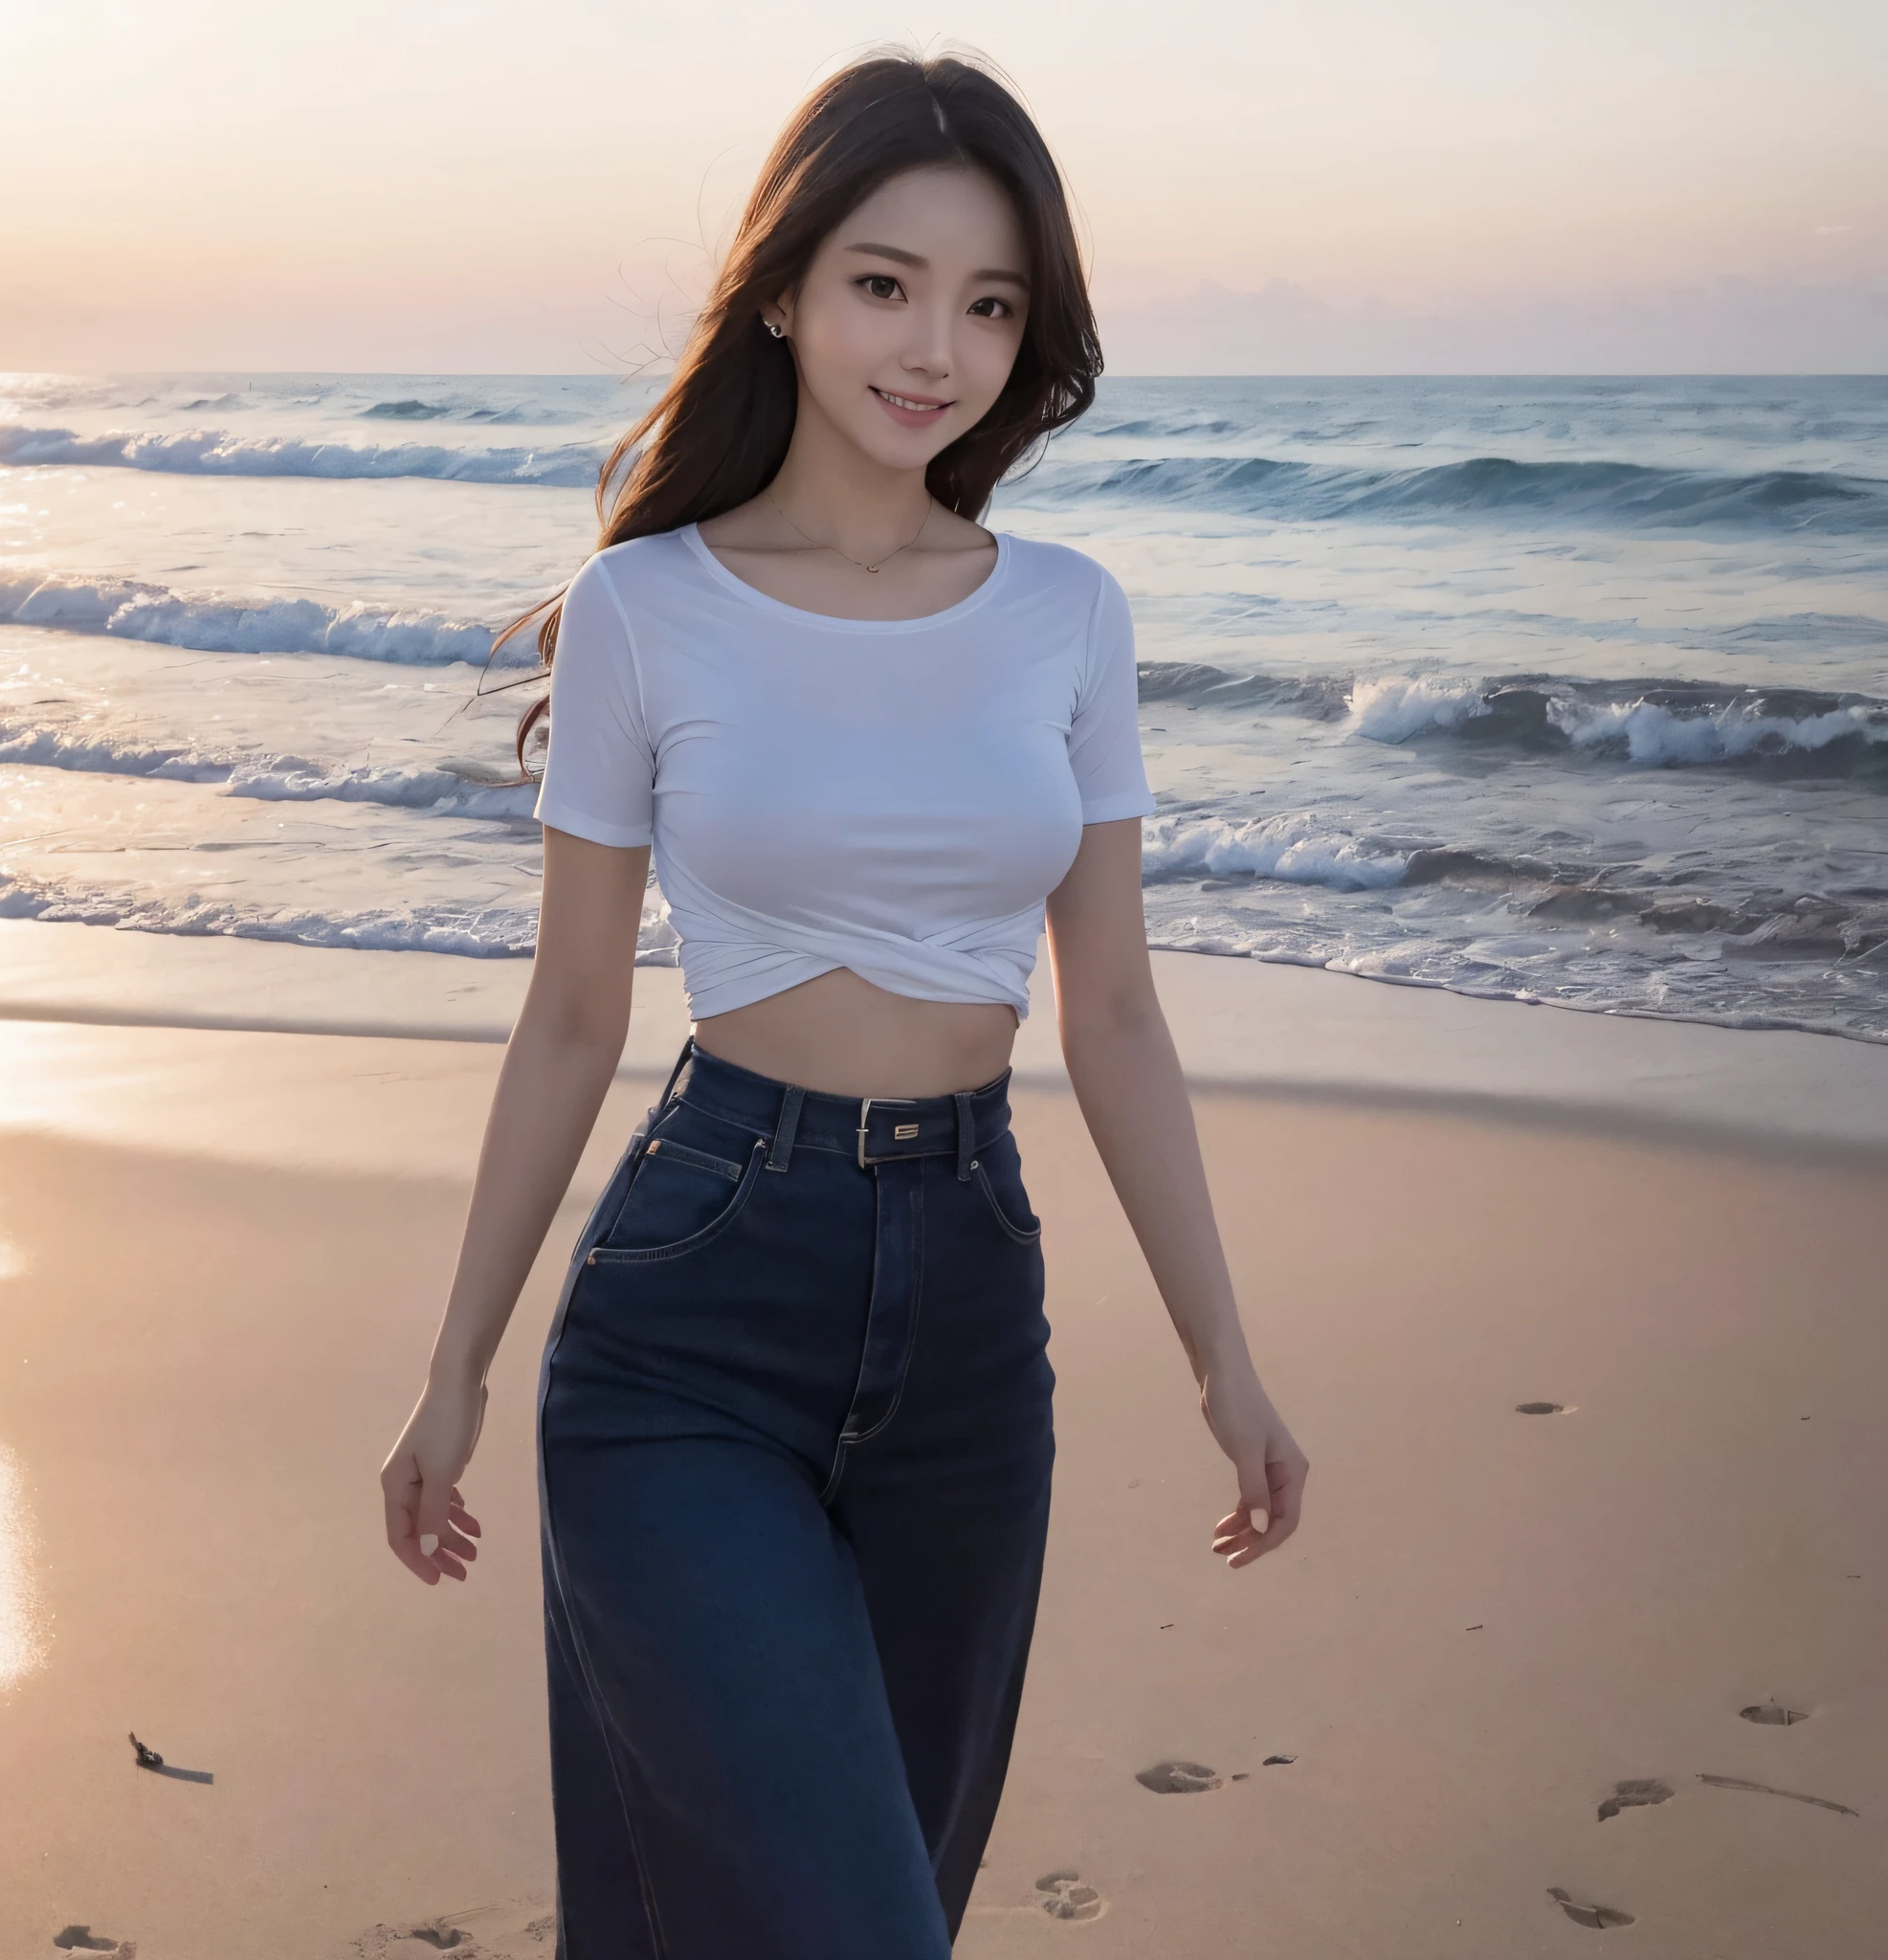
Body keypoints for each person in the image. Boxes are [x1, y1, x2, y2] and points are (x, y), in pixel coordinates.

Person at [380, 49, 1308, 1959]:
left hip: (971, 1310)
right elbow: (569, 1014)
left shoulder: (1067, 612)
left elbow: (1114, 1009)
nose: (935, 349)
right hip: (691, 1312)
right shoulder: (646, 603)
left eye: (989, 306)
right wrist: (457, 1365)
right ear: (785, 287)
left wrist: (1224, 1356)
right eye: (885, 283)